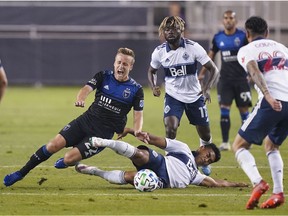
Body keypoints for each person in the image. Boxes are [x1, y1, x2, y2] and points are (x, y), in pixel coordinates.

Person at [4, 47, 147, 187]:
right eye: (119, 62)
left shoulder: (136, 89)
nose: (121, 66)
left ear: (131, 67)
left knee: (68, 158)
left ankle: (68, 161)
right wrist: (81, 98)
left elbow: (138, 114)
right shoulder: (103, 76)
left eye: (125, 64)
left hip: (101, 135)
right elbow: (86, 89)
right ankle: (20, 173)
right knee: (52, 145)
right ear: (114, 63)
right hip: (85, 121)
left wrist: (138, 130)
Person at [147, 16, 219, 176]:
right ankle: (169, 161)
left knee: (205, 133)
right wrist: (154, 86)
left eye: (174, 29)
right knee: (170, 128)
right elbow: (152, 71)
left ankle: (204, 154)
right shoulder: (159, 52)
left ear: (181, 30)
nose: (170, 32)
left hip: (195, 96)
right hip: (173, 96)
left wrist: (207, 89)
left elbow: (214, 69)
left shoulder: (193, 48)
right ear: (163, 32)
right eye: (167, 29)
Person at [232, 16, 288, 209]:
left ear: (247, 33)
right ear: (267, 32)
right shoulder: (282, 48)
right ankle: (278, 193)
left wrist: (268, 95)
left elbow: (253, 69)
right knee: (271, 145)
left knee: (239, 145)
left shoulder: (247, 50)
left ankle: (258, 182)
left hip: (272, 100)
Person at [75, 127, 248, 189]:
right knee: (140, 154)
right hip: (160, 162)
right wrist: (141, 134)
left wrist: (237, 184)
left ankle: (96, 172)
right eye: (208, 155)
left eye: (210, 161)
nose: (207, 159)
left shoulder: (196, 176)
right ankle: (104, 142)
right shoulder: (184, 149)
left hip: (160, 181)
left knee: (131, 178)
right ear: (202, 148)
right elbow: (160, 141)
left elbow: (217, 183)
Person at [198, 10, 252, 151]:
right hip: (225, 80)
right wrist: (201, 74)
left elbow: (251, 53)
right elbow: (210, 57)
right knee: (224, 110)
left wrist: (252, 73)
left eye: (231, 18)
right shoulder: (218, 37)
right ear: (223, 21)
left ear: (236, 21)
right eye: (226, 18)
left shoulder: (242, 36)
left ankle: (246, 141)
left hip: (241, 80)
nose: (228, 20)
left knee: (244, 111)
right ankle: (225, 142)